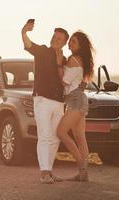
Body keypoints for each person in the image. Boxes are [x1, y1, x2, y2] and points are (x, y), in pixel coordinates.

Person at [21, 19, 69, 184]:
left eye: (59, 39)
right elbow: (29, 45)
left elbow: (67, 81)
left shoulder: (64, 59)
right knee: (44, 136)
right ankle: (44, 172)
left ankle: (49, 170)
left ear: (64, 43)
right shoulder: (42, 51)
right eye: (54, 37)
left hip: (59, 102)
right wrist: (24, 32)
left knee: (55, 137)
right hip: (42, 100)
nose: (55, 40)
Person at [56, 31, 94, 182]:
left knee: (61, 132)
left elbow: (64, 81)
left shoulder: (73, 59)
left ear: (80, 46)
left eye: (74, 42)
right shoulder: (81, 60)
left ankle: (81, 166)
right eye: (70, 41)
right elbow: (80, 82)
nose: (70, 44)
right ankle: (83, 174)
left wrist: (59, 63)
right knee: (80, 137)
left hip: (75, 101)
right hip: (79, 99)